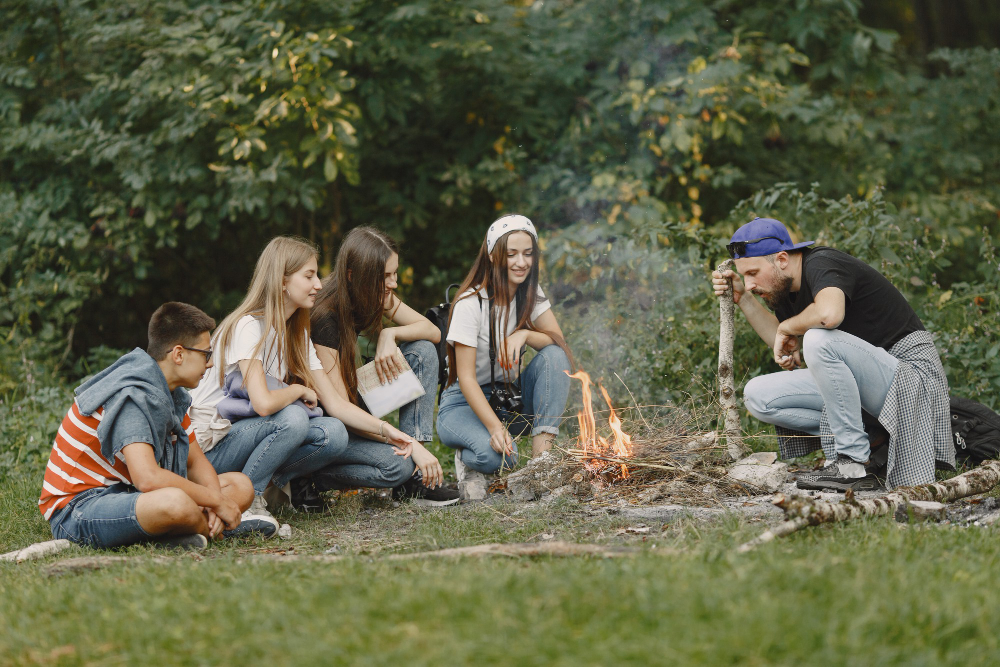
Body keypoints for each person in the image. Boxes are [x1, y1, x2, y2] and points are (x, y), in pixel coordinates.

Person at [188, 236, 421, 529]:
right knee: (294, 416)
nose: (319, 285)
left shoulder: (295, 334)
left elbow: (336, 404)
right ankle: (247, 502)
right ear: (282, 281)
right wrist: (298, 389)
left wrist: (391, 432)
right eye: (309, 276)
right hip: (208, 452)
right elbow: (262, 404)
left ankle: (257, 487)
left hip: (249, 438)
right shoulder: (249, 326)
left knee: (333, 432)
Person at [712, 217, 954, 491]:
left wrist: (788, 329)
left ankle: (852, 465)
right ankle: (872, 440)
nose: (750, 282)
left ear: (781, 259)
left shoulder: (822, 263)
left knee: (817, 338)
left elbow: (829, 315)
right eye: (745, 276)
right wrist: (744, 297)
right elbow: (778, 336)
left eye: (753, 273)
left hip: (913, 380)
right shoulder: (785, 290)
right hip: (871, 386)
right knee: (758, 396)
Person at [39, 302, 253, 550]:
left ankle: (192, 531)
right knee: (176, 503)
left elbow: (195, 462)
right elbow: (148, 479)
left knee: (241, 485)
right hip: (78, 509)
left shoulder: (170, 394)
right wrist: (217, 502)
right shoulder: (134, 395)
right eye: (206, 354)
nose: (211, 363)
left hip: (126, 495)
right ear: (179, 354)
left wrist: (215, 502)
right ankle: (221, 530)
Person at [309, 226, 456, 505]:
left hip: (355, 396)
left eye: (394, 273)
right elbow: (339, 409)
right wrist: (403, 444)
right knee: (396, 466)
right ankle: (313, 476)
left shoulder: (378, 295)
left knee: (423, 351)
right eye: (385, 276)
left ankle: (415, 479)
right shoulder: (325, 317)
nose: (394, 283)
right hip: (331, 420)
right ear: (354, 276)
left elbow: (433, 332)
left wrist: (391, 334)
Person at [437, 214, 573, 500]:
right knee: (502, 459)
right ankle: (468, 455)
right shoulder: (469, 304)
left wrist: (524, 334)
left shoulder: (530, 293)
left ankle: (540, 467)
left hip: (506, 398)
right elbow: (467, 379)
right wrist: (495, 428)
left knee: (555, 356)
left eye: (527, 254)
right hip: (463, 402)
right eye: (511, 254)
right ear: (493, 256)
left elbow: (558, 340)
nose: (521, 262)